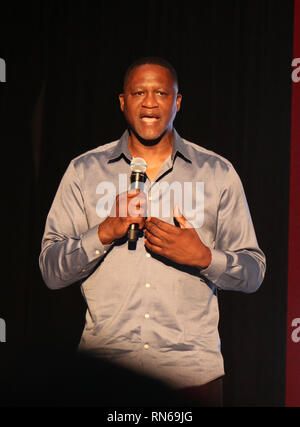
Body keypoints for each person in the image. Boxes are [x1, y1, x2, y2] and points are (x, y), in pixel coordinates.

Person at [39, 56, 266, 406]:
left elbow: (253, 272)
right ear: (122, 102)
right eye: (139, 92)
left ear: (177, 102)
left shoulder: (218, 173)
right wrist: (104, 232)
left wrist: (204, 257)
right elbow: (51, 271)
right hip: (105, 376)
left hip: (191, 377)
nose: (149, 102)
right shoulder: (84, 171)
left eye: (161, 92)